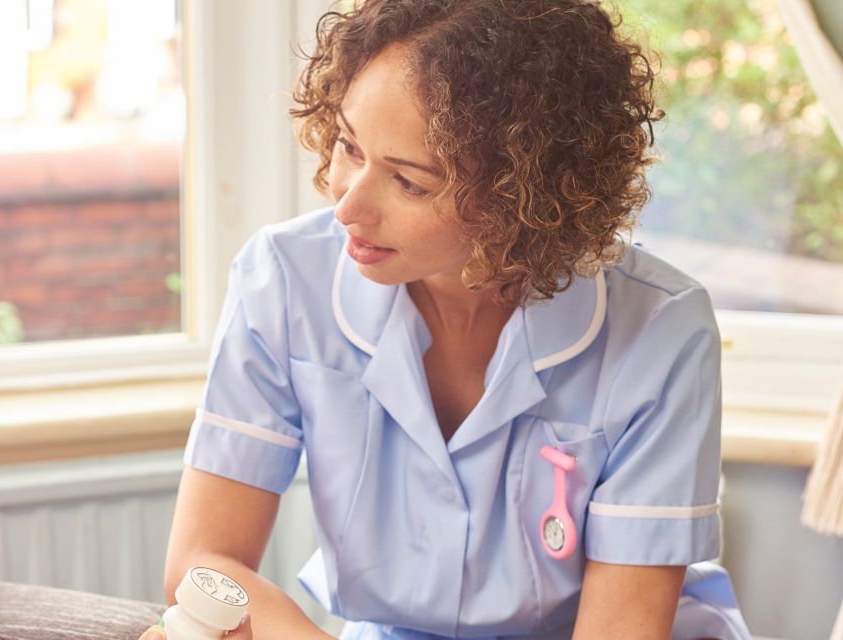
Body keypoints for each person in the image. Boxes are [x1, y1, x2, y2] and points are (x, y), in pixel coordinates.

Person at [162, 1, 752, 639]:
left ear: (522, 194)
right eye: (348, 146)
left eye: (410, 183)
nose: (348, 206)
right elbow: (202, 565)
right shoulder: (283, 280)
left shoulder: (661, 330)